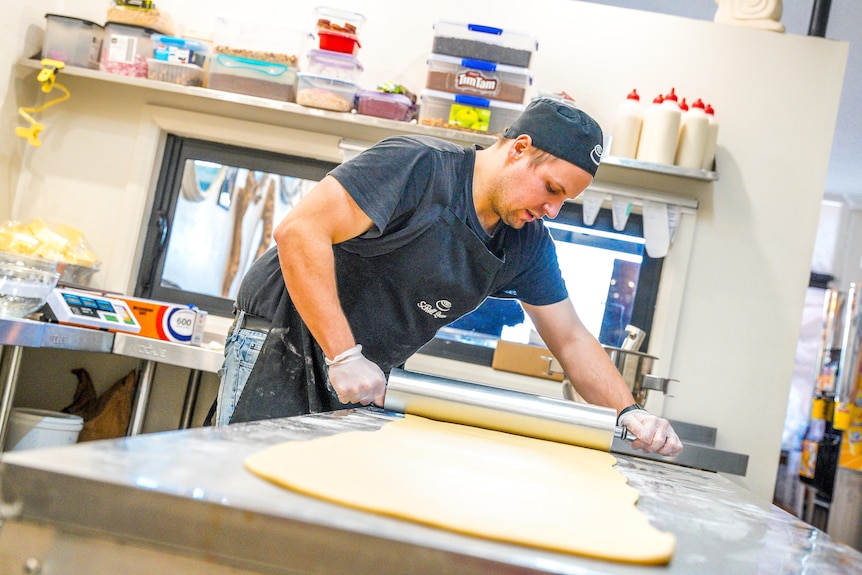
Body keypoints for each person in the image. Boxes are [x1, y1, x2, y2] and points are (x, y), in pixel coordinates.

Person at [215, 97, 683, 457]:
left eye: (565, 202)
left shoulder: (526, 242)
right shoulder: (416, 167)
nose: (551, 211)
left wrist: (629, 411)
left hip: (362, 375)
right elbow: (300, 231)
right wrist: (343, 353)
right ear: (520, 150)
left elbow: (571, 337)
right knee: (239, 489)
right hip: (281, 342)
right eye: (552, 190)